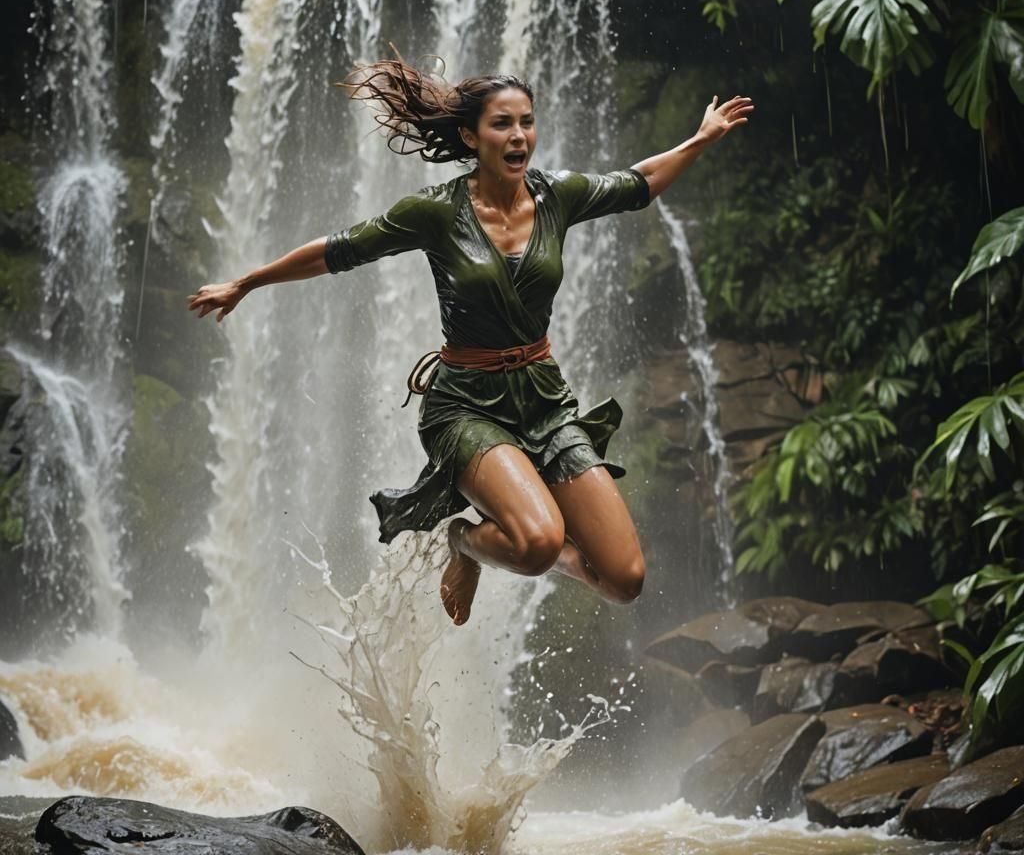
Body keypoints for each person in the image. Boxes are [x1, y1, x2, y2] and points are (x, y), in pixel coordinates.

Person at [189, 60, 753, 626]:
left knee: (624, 579)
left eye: (527, 123)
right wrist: (247, 282)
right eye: (502, 124)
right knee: (535, 543)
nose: (518, 137)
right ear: (470, 136)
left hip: (542, 398)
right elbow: (339, 250)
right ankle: (464, 543)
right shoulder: (436, 211)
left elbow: (640, 184)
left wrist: (701, 139)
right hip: (465, 406)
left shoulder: (558, 195)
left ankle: (513, 541)